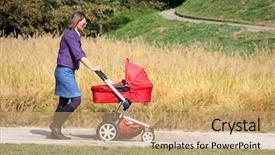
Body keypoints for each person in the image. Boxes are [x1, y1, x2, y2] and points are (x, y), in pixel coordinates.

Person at [49, 11, 100, 139]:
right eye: (83, 20)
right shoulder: (70, 34)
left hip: (66, 71)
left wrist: (92, 66)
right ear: (76, 21)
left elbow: (80, 52)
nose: (85, 23)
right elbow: (78, 54)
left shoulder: (75, 35)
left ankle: (55, 129)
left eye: (85, 21)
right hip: (64, 71)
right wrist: (92, 68)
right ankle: (55, 126)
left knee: (63, 101)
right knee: (76, 100)